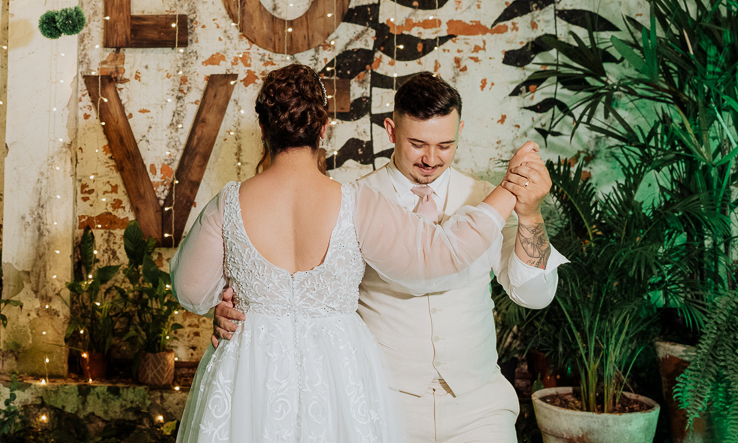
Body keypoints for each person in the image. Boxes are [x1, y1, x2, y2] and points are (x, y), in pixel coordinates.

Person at [170, 64, 546, 443]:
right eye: (418, 144)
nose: (431, 157)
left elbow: (190, 291)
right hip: (346, 386)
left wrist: (228, 302)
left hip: (252, 379)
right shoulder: (354, 202)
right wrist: (509, 190)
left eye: (444, 145)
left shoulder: (228, 204)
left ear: (264, 128)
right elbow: (439, 255)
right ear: (323, 128)